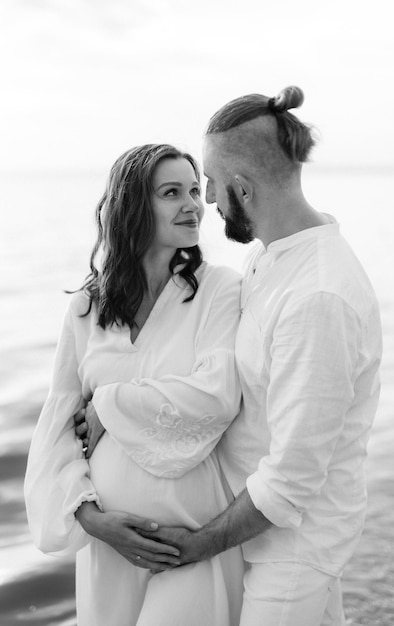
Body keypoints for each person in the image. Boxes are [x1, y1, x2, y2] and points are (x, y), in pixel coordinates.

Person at [131, 87, 383, 625]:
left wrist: (198, 544)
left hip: (292, 551)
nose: (209, 202)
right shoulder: (274, 260)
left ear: (243, 188)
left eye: (214, 186)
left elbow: (292, 479)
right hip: (261, 535)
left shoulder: (317, 296)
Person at [24, 143, 245, 626]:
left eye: (193, 189)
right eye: (171, 192)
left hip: (191, 535)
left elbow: (217, 395)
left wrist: (108, 404)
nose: (192, 204)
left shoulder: (219, 290)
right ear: (133, 207)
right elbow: (57, 426)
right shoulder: (87, 307)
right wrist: (92, 519)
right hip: (111, 548)